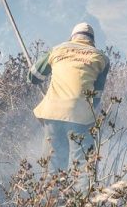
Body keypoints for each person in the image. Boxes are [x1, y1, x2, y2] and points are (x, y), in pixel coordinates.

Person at [28, 22, 110, 172]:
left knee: (53, 164)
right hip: (81, 116)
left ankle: (52, 194)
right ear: (92, 41)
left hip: (52, 113)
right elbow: (96, 96)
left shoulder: (57, 50)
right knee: (83, 166)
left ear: (72, 38)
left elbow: (33, 77)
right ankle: (83, 194)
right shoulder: (101, 58)